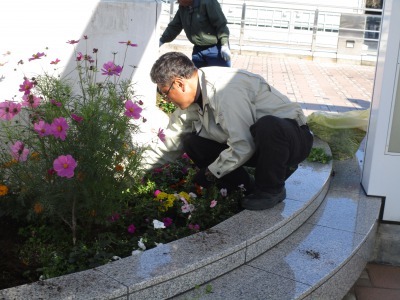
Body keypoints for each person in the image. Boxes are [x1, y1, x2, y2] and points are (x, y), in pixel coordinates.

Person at [143, 52, 313, 210]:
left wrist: (210, 173)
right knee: (191, 142)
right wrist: (134, 170)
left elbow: (243, 145)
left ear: (179, 84)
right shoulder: (190, 100)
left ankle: (271, 189)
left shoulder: (226, 90)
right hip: (257, 145)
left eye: (165, 94)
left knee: (268, 125)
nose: (166, 100)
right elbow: (169, 144)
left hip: (291, 141)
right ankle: (245, 188)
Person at [159, 0, 231, 68]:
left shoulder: (208, 2)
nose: (179, 2)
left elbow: (221, 24)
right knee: (197, 77)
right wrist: (161, 40)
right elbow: (175, 26)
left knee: (218, 77)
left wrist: (224, 44)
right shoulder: (183, 6)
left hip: (215, 49)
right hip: (198, 49)